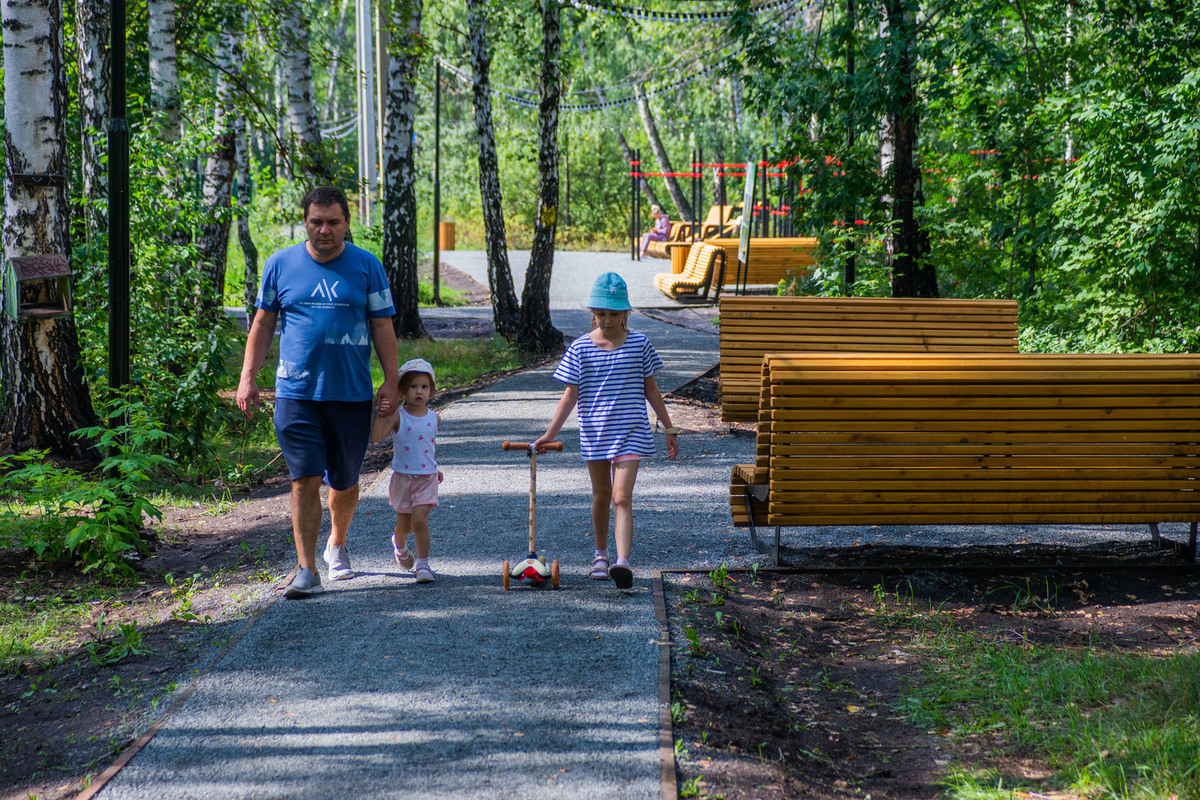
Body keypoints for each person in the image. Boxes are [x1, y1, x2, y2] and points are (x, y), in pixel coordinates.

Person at [236, 186, 400, 599]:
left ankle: (337, 543)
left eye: (333, 222)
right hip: (297, 392)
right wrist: (248, 377)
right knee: (303, 478)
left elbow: (382, 326)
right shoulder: (280, 265)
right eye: (316, 222)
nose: (324, 230)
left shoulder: (367, 267)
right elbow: (262, 324)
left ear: (347, 223)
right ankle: (306, 569)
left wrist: (391, 381)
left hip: (350, 393)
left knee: (344, 481)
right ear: (305, 222)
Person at [532, 272, 679, 589]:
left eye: (614, 313)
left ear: (626, 312)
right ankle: (600, 555)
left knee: (621, 496)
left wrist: (669, 427)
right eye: (601, 314)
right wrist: (550, 434)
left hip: (632, 430)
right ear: (592, 313)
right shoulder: (580, 348)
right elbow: (570, 395)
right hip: (596, 432)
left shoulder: (640, 344)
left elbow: (651, 390)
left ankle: (622, 563)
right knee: (601, 495)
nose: (607, 320)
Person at [372, 358, 442, 584]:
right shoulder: (397, 416)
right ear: (403, 391)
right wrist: (381, 417)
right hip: (403, 478)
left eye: (424, 386)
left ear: (431, 390)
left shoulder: (435, 418)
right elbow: (375, 438)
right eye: (413, 386)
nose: (419, 391)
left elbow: (429, 444)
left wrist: (434, 466)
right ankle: (399, 543)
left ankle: (423, 564)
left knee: (420, 521)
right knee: (405, 526)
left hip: (427, 479)